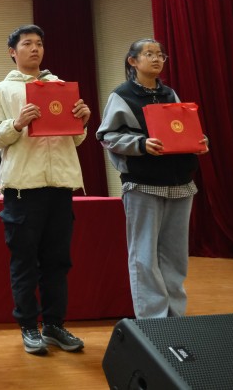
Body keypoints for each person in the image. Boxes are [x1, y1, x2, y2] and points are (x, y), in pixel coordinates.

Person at [0, 24, 90, 355]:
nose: (35, 49)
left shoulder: (61, 87)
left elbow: (75, 139)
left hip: (61, 185)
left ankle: (54, 325)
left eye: (39, 44)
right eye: (27, 43)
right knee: (25, 262)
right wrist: (17, 123)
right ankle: (29, 326)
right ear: (12, 52)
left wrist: (82, 122)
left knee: (58, 262)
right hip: (23, 189)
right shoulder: (1, 90)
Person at [96, 39, 208, 319]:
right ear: (133, 61)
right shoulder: (122, 95)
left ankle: (174, 317)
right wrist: (141, 144)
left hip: (180, 183)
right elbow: (107, 136)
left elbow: (181, 129)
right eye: (149, 54)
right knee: (144, 255)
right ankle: (153, 321)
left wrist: (197, 140)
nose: (157, 59)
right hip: (143, 184)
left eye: (160, 55)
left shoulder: (170, 93)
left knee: (175, 255)